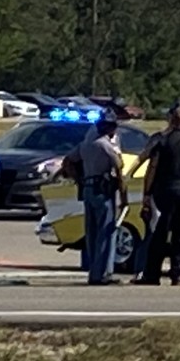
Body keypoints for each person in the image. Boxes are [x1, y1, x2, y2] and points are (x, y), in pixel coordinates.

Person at [136, 103, 180, 286]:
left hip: (166, 191)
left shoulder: (163, 141)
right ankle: (178, 274)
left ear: (171, 121)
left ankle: (152, 274)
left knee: (160, 233)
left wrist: (147, 193)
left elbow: (153, 167)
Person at [75, 116, 126, 286]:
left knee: (92, 232)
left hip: (88, 187)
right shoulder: (105, 145)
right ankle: (102, 274)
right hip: (102, 190)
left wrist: (79, 180)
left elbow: (68, 162)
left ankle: (92, 270)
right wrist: (123, 195)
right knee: (106, 231)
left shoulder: (86, 144)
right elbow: (119, 166)